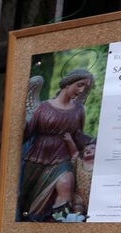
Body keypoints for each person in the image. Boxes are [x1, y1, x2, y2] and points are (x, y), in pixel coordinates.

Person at [18, 68, 96, 222]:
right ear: (68, 83)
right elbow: (27, 133)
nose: (81, 90)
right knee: (26, 197)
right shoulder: (42, 107)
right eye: (79, 85)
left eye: (85, 88)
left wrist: (97, 142)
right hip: (37, 157)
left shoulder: (79, 109)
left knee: (66, 182)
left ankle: (60, 222)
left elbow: (78, 136)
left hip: (62, 157)